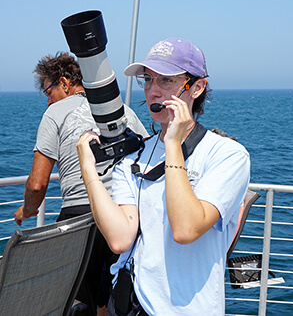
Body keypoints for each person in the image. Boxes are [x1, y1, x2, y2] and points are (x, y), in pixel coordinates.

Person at [76, 38, 250, 315]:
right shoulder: (134, 156)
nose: (152, 91)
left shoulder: (227, 155)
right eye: (147, 80)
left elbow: (185, 229)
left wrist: (172, 143)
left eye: (166, 81)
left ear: (196, 87)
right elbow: (120, 239)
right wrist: (88, 171)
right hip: (133, 304)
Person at [14, 52, 148, 316]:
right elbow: (149, 156)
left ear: (64, 83)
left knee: (75, 300)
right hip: (126, 216)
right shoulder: (122, 110)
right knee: (115, 296)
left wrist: (26, 211)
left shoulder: (55, 113)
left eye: (48, 92)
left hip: (79, 220)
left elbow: (38, 185)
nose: (48, 100)